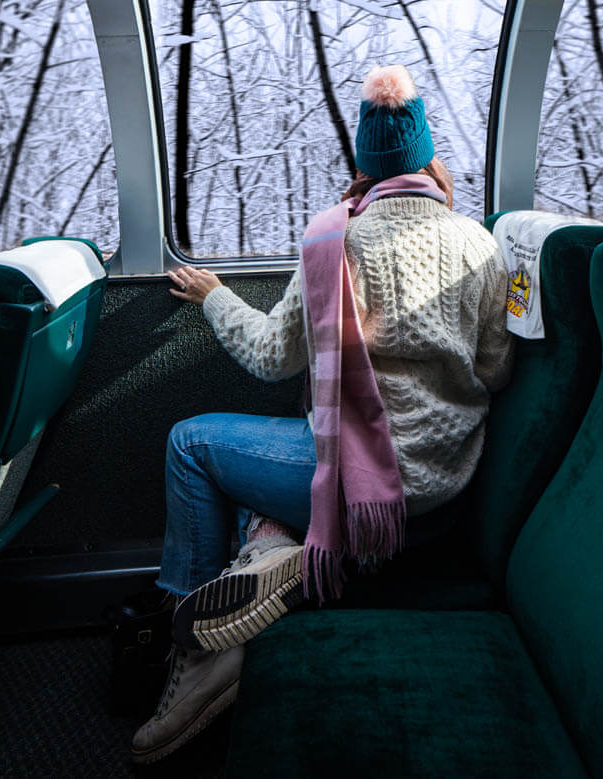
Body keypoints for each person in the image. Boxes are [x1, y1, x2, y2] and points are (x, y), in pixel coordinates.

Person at [131, 65, 514, 765]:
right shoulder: (483, 245)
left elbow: (272, 355)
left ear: (364, 166)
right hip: (445, 492)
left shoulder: (333, 241)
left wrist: (216, 293)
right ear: (430, 159)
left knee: (191, 443)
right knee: (270, 481)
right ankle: (267, 560)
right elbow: (496, 370)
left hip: (360, 486)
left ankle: (192, 636)